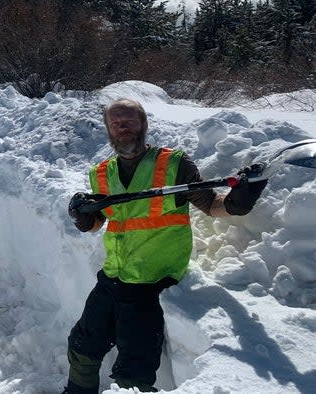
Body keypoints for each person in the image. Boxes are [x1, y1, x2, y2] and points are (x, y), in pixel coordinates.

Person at [63, 99, 268, 393]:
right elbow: (99, 221)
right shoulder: (101, 173)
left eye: (129, 120)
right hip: (113, 275)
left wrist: (238, 202)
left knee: (134, 367)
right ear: (108, 129)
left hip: (152, 278)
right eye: (115, 122)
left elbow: (211, 204)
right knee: (82, 345)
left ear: (143, 124)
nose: (122, 127)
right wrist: (82, 217)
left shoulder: (174, 165)